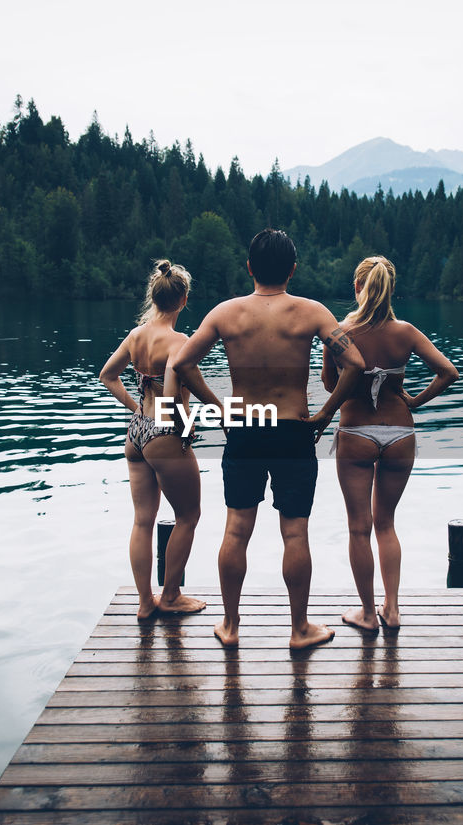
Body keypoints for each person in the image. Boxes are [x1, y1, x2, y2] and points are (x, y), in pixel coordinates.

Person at [167, 229, 366, 649]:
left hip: (245, 428)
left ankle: (231, 626)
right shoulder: (312, 312)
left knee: (236, 529)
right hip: (294, 428)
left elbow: (183, 362)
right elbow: (355, 363)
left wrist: (220, 408)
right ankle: (298, 629)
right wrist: (326, 414)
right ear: (293, 269)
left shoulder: (226, 313)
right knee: (295, 532)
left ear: (250, 268)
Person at [322, 256, 459, 630]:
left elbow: (330, 386)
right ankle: (392, 609)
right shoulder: (407, 332)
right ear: (392, 288)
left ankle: (367, 614)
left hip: (356, 433)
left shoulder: (339, 331)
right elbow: (449, 372)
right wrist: (413, 400)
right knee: (386, 524)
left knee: (358, 527)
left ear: (356, 287)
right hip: (400, 434)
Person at [99, 260, 222, 620]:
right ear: (183, 300)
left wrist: (135, 404)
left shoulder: (136, 336)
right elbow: (171, 397)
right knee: (188, 514)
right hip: (163, 434)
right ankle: (170, 596)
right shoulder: (180, 342)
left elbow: (108, 375)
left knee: (143, 520)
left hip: (136, 433)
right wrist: (186, 431)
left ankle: (144, 602)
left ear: (154, 297)